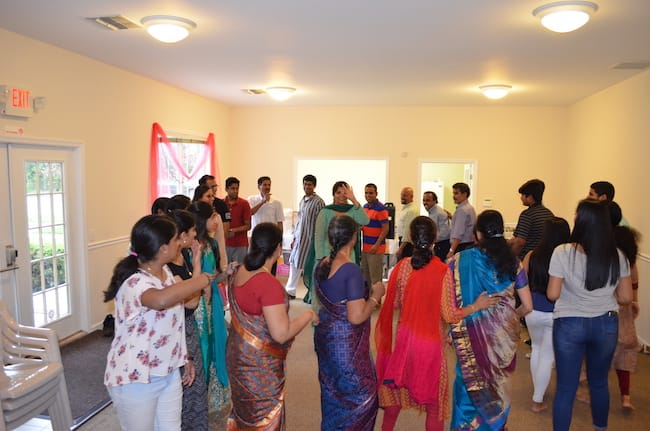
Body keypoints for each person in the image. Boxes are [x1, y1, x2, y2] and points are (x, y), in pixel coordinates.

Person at [375, 216, 497, 431]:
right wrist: (476, 306)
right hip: (431, 347)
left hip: (405, 343)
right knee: (435, 405)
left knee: (395, 394)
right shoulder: (442, 271)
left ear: (411, 237)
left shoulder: (402, 267)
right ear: (436, 238)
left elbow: (394, 303)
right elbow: (450, 315)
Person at [103, 215, 214, 430]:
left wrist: (184, 357)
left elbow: (177, 318)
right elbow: (161, 301)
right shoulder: (135, 282)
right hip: (136, 376)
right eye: (175, 240)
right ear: (163, 249)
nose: (180, 243)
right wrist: (202, 280)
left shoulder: (166, 273)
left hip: (168, 371)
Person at [548, 199, 632, 431]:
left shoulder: (562, 252)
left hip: (569, 324)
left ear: (580, 221)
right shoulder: (618, 255)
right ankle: (600, 427)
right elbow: (626, 297)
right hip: (606, 324)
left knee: (566, 388)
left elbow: (553, 294)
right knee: (599, 383)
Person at [226, 223, 319, 430]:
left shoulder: (239, 271)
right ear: (278, 248)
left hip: (237, 355)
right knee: (263, 417)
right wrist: (308, 315)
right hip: (258, 363)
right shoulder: (268, 284)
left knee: (244, 412)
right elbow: (281, 334)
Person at [446, 210, 532, 431]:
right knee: (497, 387)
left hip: (470, 335)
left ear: (478, 233)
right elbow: (528, 306)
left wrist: (452, 327)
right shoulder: (514, 262)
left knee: (467, 385)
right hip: (503, 339)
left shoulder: (459, 260)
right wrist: (509, 317)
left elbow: (449, 304)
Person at [313, 215, 385, 430]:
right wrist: (375, 296)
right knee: (362, 398)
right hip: (345, 345)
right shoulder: (350, 270)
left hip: (326, 339)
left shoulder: (321, 265)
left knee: (333, 392)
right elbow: (356, 316)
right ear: (354, 238)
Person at [188, 201, 231, 429]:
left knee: (215, 345)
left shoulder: (212, 244)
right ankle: (196, 400)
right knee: (202, 347)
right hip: (196, 303)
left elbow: (215, 277)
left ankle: (211, 398)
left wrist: (227, 273)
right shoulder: (189, 247)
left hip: (212, 299)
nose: (216, 220)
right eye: (212, 216)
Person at [522, 217, 570, 414]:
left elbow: (522, 281)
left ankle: (538, 389)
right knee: (547, 356)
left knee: (537, 348)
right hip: (555, 312)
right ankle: (537, 399)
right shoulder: (567, 257)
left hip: (531, 309)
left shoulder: (531, 255)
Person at [167, 209, 208, 431]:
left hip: (189, 326)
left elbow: (193, 293)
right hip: (178, 330)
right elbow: (192, 301)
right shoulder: (167, 268)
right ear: (182, 235)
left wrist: (197, 261)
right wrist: (200, 278)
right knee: (183, 387)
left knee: (196, 386)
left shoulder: (183, 256)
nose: (195, 235)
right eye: (192, 231)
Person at [303, 181, 370, 303]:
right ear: (333, 194)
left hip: (349, 256)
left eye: (345, 193)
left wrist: (354, 200)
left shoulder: (353, 210)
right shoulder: (325, 211)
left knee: (347, 289)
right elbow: (319, 236)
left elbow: (365, 221)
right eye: (338, 192)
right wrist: (320, 259)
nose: (342, 196)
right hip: (327, 257)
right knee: (326, 293)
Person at [608, 202, 641, 412]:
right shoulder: (627, 241)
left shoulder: (604, 243)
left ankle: (590, 388)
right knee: (626, 351)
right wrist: (635, 300)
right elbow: (634, 278)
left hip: (606, 303)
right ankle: (626, 397)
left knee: (601, 350)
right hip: (625, 304)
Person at [286, 174, 325, 299]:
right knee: (294, 263)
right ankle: (290, 291)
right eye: (305, 184)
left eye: (310, 184)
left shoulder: (318, 202)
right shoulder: (303, 200)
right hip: (299, 239)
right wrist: (294, 238)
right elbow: (299, 220)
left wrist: (318, 241)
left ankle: (314, 294)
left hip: (310, 240)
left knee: (310, 268)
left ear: (314, 186)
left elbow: (321, 222)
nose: (307, 186)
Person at [509, 179, 554, 259]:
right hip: (543, 259)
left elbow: (520, 242)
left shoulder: (527, 215)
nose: (521, 198)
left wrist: (510, 258)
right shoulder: (549, 213)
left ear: (530, 197)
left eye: (522, 195)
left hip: (527, 259)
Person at [248, 176, 284, 275]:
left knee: (271, 265)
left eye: (269, 185)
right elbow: (250, 213)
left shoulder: (277, 202)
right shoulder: (252, 199)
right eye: (264, 185)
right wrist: (263, 201)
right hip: (257, 237)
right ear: (258, 186)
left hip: (272, 238)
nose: (267, 187)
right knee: (256, 264)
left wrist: (280, 241)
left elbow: (280, 223)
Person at [193, 184, 228, 273]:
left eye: (213, 196)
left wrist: (224, 267)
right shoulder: (192, 244)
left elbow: (220, 241)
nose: (212, 199)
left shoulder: (212, 243)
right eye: (208, 196)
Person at [361, 183, 389, 288]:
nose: (368, 195)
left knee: (375, 279)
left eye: (371, 193)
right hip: (365, 248)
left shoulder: (381, 208)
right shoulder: (364, 207)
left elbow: (385, 229)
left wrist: (376, 245)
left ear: (376, 194)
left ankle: (376, 299)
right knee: (366, 278)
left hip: (376, 249)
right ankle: (369, 298)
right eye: (366, 193)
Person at [224, 177, 252, 265]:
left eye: (237, 188)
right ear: (226, 189)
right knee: (224, 269)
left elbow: (248, 226)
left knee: (239, 269)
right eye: (233, 188)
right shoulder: (221, 204)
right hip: (225, 243)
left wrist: (234, 230)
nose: (235, 191)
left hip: (240, 244)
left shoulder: (244, 204)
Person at [446, 182, 477, 260]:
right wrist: (452, 217)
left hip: (461, 246)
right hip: (469, 244)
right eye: (453, 193)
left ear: (465, 194)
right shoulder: (470, 208)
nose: (454, 196)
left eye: (456, 193)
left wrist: (451, 250)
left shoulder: (462, 210)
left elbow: (459, 233)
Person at [422, 191, 451, 261]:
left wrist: (430, 241)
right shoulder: (433, 212)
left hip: (442, 245)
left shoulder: (437, 213)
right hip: (439, 244)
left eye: (428, 200)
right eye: (424, 200)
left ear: (434, 201)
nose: (425, 202)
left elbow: (445, 233)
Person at [396, 186, 419, 260]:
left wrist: (401, 249)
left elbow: (407, 231)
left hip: (407, 245)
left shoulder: (412, 210)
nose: (402, 197)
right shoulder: (406, 208)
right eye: (402, 195)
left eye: (405, 195)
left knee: (404, 264)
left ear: (411, 197)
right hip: (403, 242)